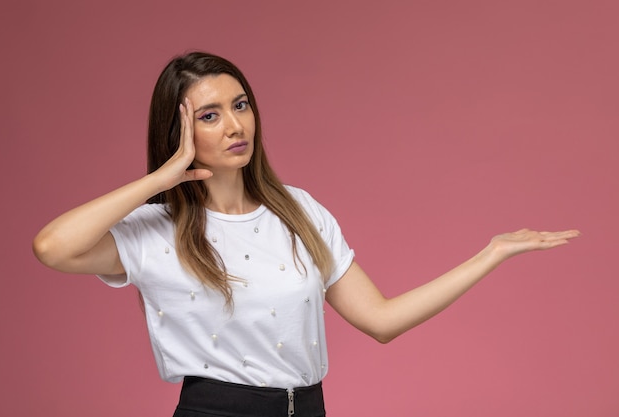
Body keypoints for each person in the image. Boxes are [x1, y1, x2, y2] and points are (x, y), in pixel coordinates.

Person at [32, 51, 580, 417]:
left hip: (310, 407)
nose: (235, 126)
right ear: (178, 130)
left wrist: (491, 253)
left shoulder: (298, 210)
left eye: (241, 105)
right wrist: (160, 178)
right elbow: (52, 246)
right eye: (210, 115)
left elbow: (381, 321)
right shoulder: (157, 231)